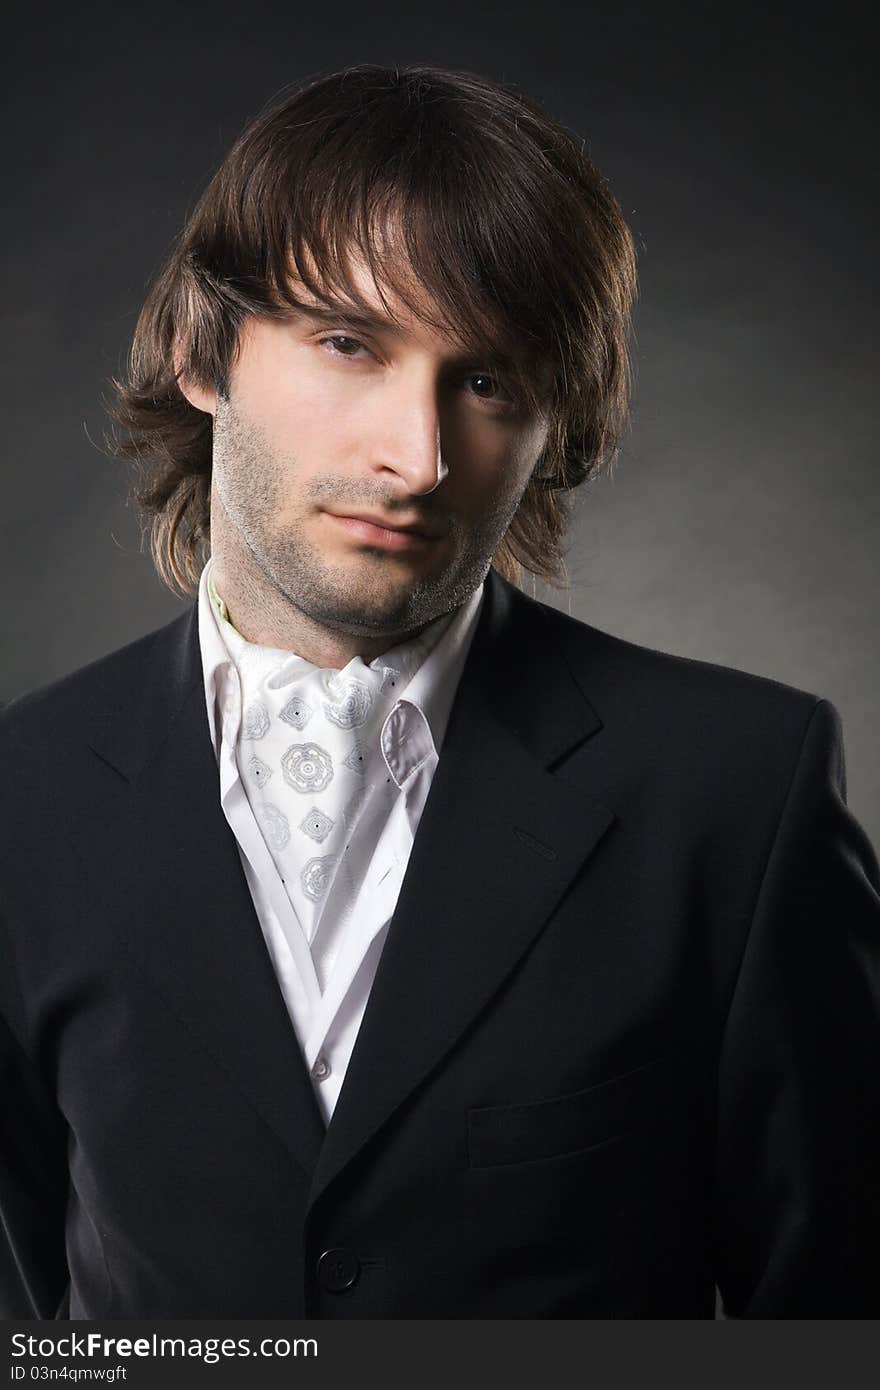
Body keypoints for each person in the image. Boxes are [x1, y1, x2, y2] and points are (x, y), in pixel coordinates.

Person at [2, 63, 878, 1322]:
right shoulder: (22, 798)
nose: (415, 458)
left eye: (487, 382)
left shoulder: (738, 792)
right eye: (349, 343)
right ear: (203, 352)